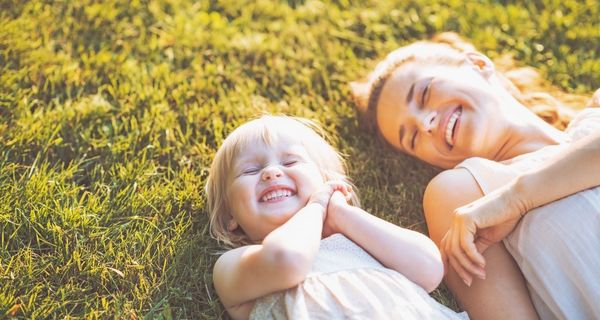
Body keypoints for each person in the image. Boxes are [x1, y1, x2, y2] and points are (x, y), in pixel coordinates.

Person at [350, 32, 600, 320]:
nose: (425, 122)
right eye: (413, 137)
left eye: (425, 93)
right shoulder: (465, 194)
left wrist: (517, 199)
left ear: (477, 64)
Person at [205, 115, 468, 319]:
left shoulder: (361, 239)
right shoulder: (237, 263)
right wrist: (316, 208)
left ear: (327, 184)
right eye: (250, 170)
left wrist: (342, 214)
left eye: (290, 163)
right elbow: (288, 260)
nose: (271, 173)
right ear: (230, 216)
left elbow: (429, 268)